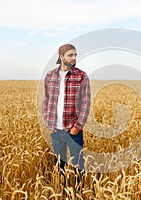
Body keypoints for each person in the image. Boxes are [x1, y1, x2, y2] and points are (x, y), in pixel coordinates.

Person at [42, 44, 91, 188]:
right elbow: (46, 101)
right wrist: (49, 125)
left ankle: (77, 192)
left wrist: (78, 126)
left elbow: (86, 104)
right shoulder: (50, 76)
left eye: (75, 55)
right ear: (61, 56)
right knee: (59, 164)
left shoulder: (81, 76)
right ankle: (62, 191)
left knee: (78, 165)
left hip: (73, 130)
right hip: (55, 130)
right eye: (71, 55)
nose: (74, 58)